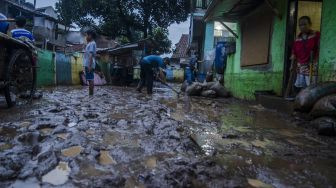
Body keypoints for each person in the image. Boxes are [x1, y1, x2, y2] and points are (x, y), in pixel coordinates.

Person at [291, 16, 320, 92]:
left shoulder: (316, 35)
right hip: (300, 66)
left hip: (312, 64)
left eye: (304, 24)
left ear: (310, 24)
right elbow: (294, 52)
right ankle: (302, 102)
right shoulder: (297, 39)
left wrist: (315, 60)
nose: (302, 27)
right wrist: (292, 64)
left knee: (312, 88)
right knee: (302, 87)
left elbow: (320, 48)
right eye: (300, 25)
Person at [83, 30, 97, 96]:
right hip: (88, 64)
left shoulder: (92, 43)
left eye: (86, 35)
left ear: (90, 35)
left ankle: (91, 95)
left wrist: (90, 66)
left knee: (90, 79)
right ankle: (90, 94)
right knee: (89, 79)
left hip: (89, 64)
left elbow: (91, 55)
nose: (86, 37)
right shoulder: (90, 43)